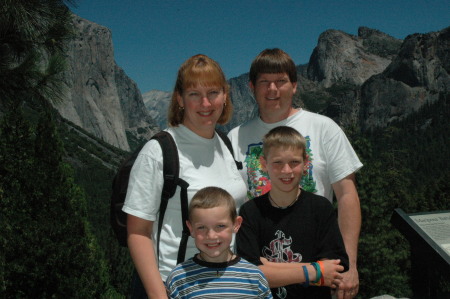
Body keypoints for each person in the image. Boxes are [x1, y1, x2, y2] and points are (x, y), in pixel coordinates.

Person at [228, 48, 362, 299]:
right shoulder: (236, 137)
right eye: (264, 82)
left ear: (295, 85)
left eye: (281, 81)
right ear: (251, 87)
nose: (272, 89)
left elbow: (347, 196)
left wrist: (350, 266)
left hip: (319, 275)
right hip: (261, 277)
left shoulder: (324, 128)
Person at [123, 54, 248, 298]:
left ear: (225, 96)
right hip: (173, 286)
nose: (205, 103)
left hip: (224, 284)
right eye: (194, 94)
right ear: (180, 99)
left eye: (213, 92)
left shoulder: (226, 144)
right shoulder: (160, 151)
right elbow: (138, 232)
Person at [237, 126, 349, 298]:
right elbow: (250, 276)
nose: (286, 171)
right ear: (264, 164)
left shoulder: (320, 208)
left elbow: (335, 269)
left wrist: (270, 269)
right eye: (278, 163)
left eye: (294, 162)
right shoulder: (251, 212)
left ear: (305, 163)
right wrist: (314, 271)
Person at [166, 186, 273, 298]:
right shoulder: (179, 278)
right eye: (201, 227)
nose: (211, 236)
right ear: (190, 228)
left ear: (236, 224)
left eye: (220, 226)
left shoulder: (254, 277)